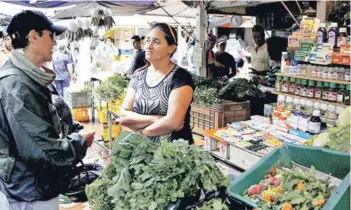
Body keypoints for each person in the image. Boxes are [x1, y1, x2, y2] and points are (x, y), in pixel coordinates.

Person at [0, 10, 95, 209]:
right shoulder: (17, 84)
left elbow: (53, 118)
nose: (55, 42)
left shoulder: (32, 76)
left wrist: (74, 130)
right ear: (33, 37)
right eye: (51, 36)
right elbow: (44, 151)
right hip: (29, 190)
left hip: (36, 185)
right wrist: (80, 142)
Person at [120, 22, 194, 144]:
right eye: (147, 40)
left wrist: (139, 134)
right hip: (141, 152)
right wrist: (154, 119)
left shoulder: (180, 77)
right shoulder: (138, 75)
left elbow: (173, 123)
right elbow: (123, 115)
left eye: (156, 42)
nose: (148, 46)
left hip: (173, 154)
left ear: (171, 48)